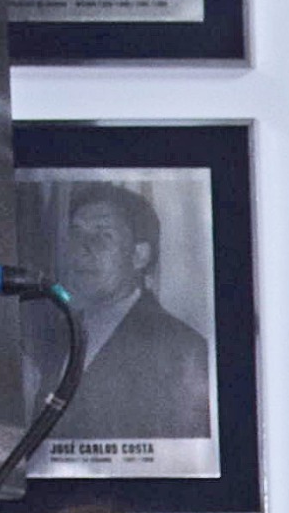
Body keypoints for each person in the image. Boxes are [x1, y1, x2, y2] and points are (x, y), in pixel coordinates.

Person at [44, 182, 214, 443]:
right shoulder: (54, 336)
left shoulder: (183, 350)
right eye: (76, 233)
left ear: (139, 256)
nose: (81, 248)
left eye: (103, 235)